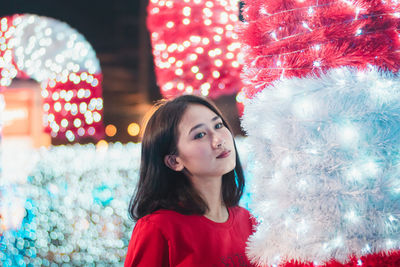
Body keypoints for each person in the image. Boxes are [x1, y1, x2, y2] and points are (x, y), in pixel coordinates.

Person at [124, 95, 257, 267]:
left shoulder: (246, 220)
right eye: (200, 134)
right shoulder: (158, 228)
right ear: (174, 161)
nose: (218, 140)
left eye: (218, 125)